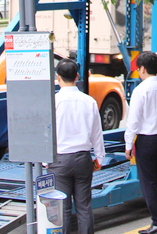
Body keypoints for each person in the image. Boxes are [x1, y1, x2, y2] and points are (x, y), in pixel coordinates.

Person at [124, 51, 157, 234]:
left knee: (149, 183)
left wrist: (128, 144)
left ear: (142, 69)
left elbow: (133, 121)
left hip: (146, 141)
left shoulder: (141, 90)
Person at [48, 59, 105, 234]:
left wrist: (45, 161)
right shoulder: (89, 101)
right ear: (77, 76)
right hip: (83, 159)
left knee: (63, 208)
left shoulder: (53, 101)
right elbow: (97, 132)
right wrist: (99, 158)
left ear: (58, 77)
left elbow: (46, 132)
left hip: (59, 160)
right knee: (84, 206)